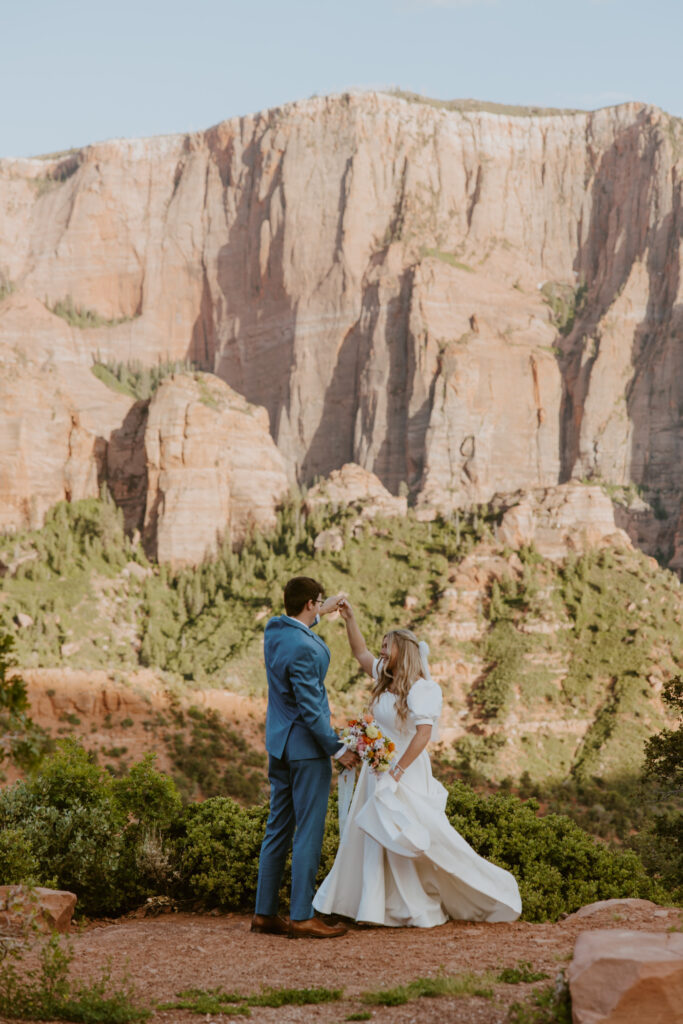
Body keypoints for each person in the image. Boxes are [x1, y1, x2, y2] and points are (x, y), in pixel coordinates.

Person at [313, 601, 522, 927]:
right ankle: (372, 907)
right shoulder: (384, 675)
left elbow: (423, 735)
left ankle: (434, 900)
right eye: (381, 645)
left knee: (410, 835)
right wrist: (350, 618)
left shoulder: (422, 689)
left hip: (405, 771)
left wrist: (396, 773)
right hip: (377, 770)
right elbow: (359, 652)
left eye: (387, 646)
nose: (380, 651)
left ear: (402, 651)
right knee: (374, 835)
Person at [252, 576, 358, 939]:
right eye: (320, 601)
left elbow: (296, 623)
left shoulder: (275, 631)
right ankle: (301, 916)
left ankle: (264, 913)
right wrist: (338, 749)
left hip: (278, 745)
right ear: (311, 603)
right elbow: (312, 711)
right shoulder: (307, 650)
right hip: (307, 750)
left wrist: (320, 611)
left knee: (278, 827)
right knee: (309, 830)